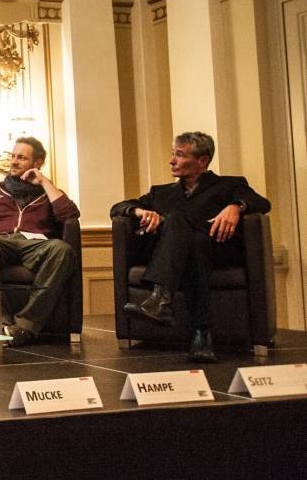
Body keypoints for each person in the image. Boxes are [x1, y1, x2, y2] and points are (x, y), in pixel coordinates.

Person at [110, 131, 271, 363]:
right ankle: (201, 334)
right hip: (193, 255)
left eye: (179, 155)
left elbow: (263, 203)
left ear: (202, 161)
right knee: (193, 242)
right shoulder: (161, 192)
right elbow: (118, 207)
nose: (172, 160)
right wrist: (139, 211)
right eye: (172, 154)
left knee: (177, 220)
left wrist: (237, 206)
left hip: (219, 251)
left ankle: (160, 297)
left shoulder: (229, 185)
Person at [0, 136, 79, 347]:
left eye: (21, 158)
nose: (13, 162)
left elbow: (69, 215)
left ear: (37, 163)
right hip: (0, 242)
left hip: (36, 245)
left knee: (62, 249)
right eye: (13, 156)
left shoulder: (47, 193)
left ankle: (24, 326)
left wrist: (44, 182)